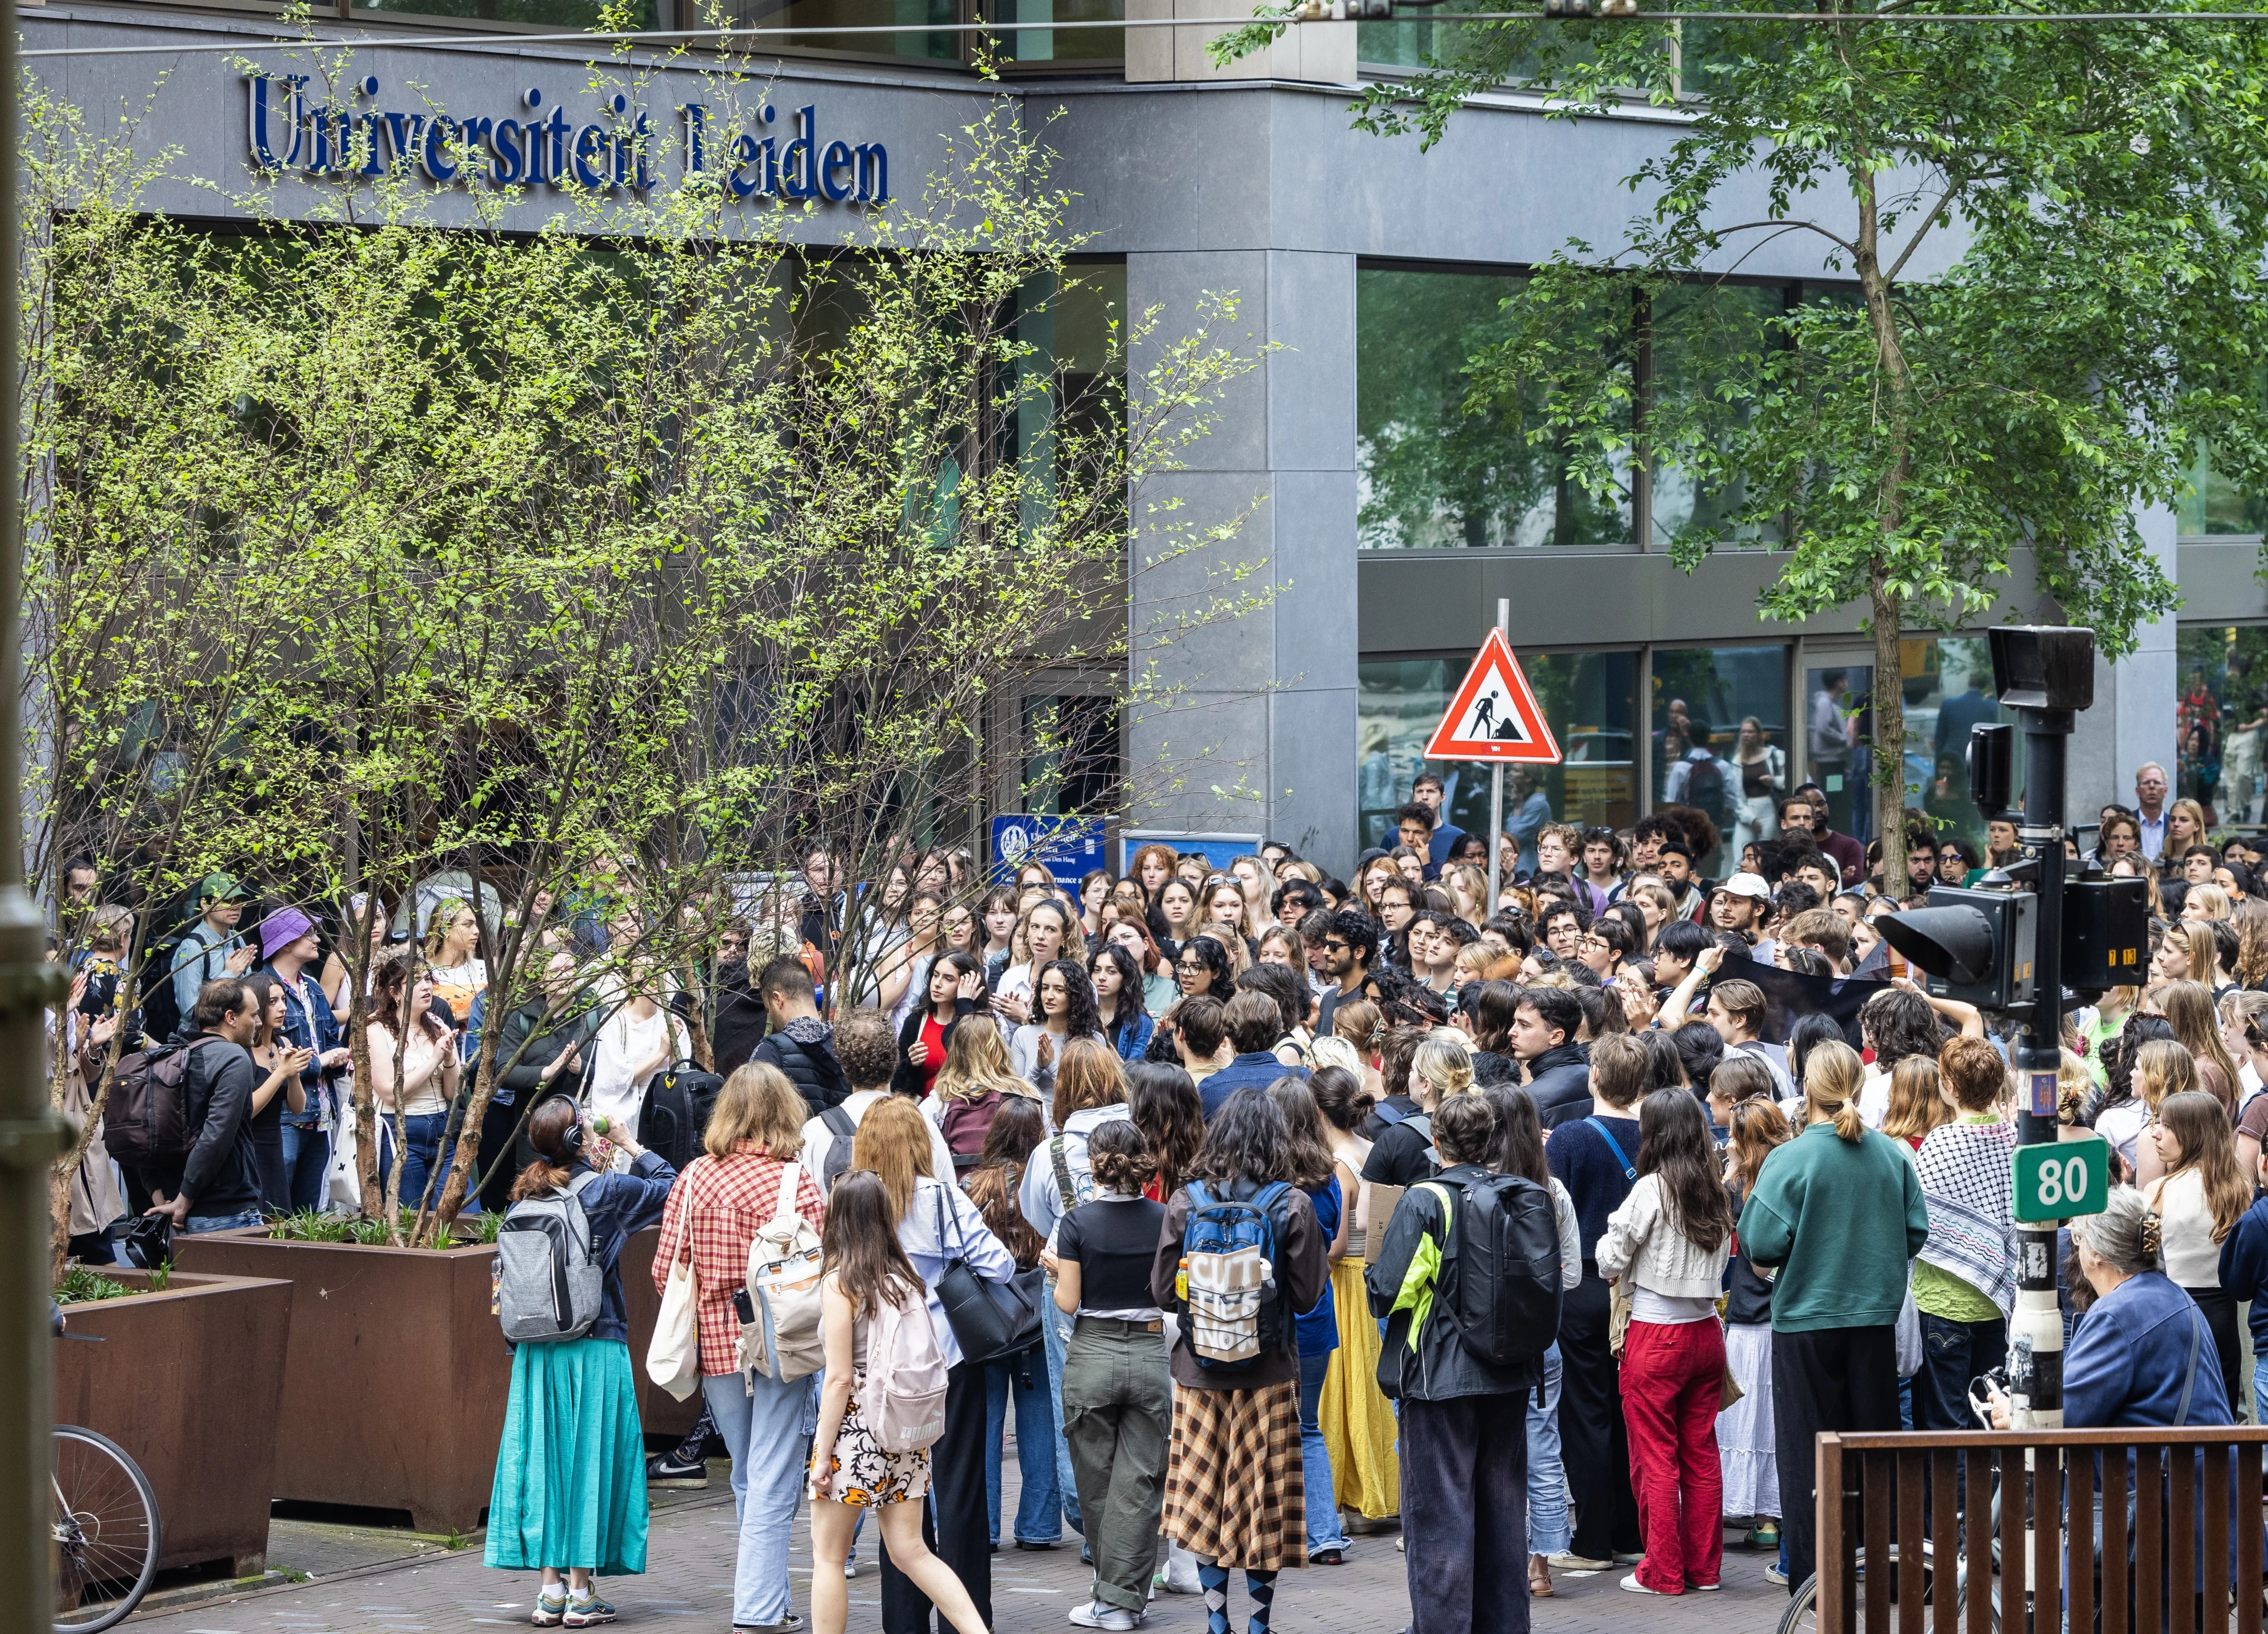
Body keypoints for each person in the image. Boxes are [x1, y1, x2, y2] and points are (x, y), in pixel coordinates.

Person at [1738, 1039, 1928, 1597]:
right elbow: (1916, 1232)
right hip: (1873, 1322)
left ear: (1807, 1088)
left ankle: (1813, 1583)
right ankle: (1889, 1574)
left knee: (1807, 1461)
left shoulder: (1790, 1158)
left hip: (1805, 1325)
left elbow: (1760, 1242)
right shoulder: (1892, 1154)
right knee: (1876, 1455)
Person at [650, 1063, 827, 1634]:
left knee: (749, 1473)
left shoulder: (696, 1176)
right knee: (774, 1475)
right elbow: (825, 1263)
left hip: (717, 1345)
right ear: (786, 1113)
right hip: (782, 1342)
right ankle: (757, 1610)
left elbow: (664, 1270)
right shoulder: (792, 1180)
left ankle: (767, 1601)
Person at [486, 1097, 676, 1629]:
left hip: (535, 1354)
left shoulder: (524, 1194)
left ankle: (550, 1594)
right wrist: (629, 1144)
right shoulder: (605, 1190)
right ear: (579, 1141)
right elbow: (675, 1190)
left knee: (547, 1466)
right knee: (591, 1461)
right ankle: (581, 1593)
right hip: (595, 1344)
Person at [1151, 1088, 1329, 1634]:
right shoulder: (1291, 1204)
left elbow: (1161, 1292)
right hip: (1268, 1376)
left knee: (1204, 1496)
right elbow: (1306, 1297)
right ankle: (1258, 1624)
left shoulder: (1186, 1202)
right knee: (1262, 1502)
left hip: (1197, 1374)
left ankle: (1216, 1621)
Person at [1367, 1093, 1537, 1634]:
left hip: (1440, 1376)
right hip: (1510, 1371)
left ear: (1436, 1144)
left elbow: (1389, 1291)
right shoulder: (1519, 1195)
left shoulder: (1425, 1200)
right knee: (1504, 1513)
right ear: (1490, 1142)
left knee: (1440, 1517)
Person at [852, 1095, 1019, 1634]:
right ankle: (968, 1620)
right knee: (962, 1493)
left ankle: (903, 1622)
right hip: (949, 1362)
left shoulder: (856, 1204)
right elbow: (1001, 1263)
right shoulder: (944, 1199)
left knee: (898, 1503)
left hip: (883, 1370)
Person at [806, 1171, 995, 1634]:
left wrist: (821, 1454)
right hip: (904, 1427)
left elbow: (838, 1378)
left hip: (855, 1427)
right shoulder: (903, 1276)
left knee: (828, 1556)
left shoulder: (839, 1281)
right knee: (911, 1551)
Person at [1596, 1089, 1734, 1596]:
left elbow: (1611, 1258)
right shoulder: (1715, 1189)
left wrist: (1611, 1256)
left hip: (1655, 1337)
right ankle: (1704, 1569)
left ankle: (1663, 1571)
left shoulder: (1651, 1188)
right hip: (1705, 1335)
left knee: (1655, 1456)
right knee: (1700, 1454)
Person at [1048, 1119, 1173, 1630]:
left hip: (1094, 1351)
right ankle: (1123, 1600)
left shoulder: (1077, 1224)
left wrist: (1057, 1270)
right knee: (1140, 1484)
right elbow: (1171, 1294)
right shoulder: (1167, 1218)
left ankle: (1110, 1598)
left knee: (1097, 1483)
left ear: (1096, 1164)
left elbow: (1068, 1302)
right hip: (1149, 1351)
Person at [1543, 1030, 1650, 1571]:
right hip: (1639, 1289)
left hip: (1584, 1283)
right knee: (1630, 1411)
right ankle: (1632, 1532)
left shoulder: (1570, 1137)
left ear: (1596, 1077)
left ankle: (1591, 1541)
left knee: (1585, 1413)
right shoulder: (1655, 1133)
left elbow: (1553, 1214)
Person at [1481, 1081, 1581, 1600]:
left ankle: (1498, 1553)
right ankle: (1539, 1564)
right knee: (1543, 1446)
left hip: (1482, 1341)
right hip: (1542, 1339)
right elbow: (1568, 1278)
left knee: (1491, 1449)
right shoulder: (1552, 1192)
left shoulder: (1474, 1191)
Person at [959, 1096, 1063, 1553]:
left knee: (984, 1421)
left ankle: (982, 1526)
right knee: (1040, 1417)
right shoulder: (1047, 1179)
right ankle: (1039, 1526)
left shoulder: (971, 1186)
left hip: (987, 1316)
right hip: (1039, 1313)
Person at [1908, 1037, 2016, 1436]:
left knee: (1945, 1421)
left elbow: (1917, 1221)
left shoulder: (1941, 1142)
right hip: (1992, 1303)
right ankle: (1983, 1499)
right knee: (1989, 1414)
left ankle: (1953, 1502)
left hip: (1942, 1303)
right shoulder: (2011, 1138)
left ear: (1950, 1087)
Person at [1267, 1076, 1354, 1566]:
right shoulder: (1330, 1177)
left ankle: (1279, 1529)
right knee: (1308, 1427)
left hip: (1277, 1320)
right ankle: (1324, 1534)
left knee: (1270, 1426)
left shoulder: (1272, 1187)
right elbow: (1336, 1247)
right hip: (1318, 1314)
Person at [1719, 1095, 1791, 1569]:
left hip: (1748, 1316)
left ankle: (1752, 1511)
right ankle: (1771, 1517)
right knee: (1772, 1416)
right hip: (1780, 1317)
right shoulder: (1788, 1180)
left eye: (1733, 1136)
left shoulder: (1739, 1190)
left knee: (1746, 1415)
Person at [2143, 1089, 2249, 1415]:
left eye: (2166, 1126)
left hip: (2177, 1313)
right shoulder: (2239, 1188)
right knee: (2224, 1409)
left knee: (2180, 1409)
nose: (2155, 1132)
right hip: (2227, 1316)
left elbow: (2142, 1254)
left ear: (2192, 1134)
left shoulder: (2158, 1190)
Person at [478, 951, 603, 1213]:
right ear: (542, 978)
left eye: (570, 968)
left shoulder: (593, 1013)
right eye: (556, 970)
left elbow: (610, 1071)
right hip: (533, 1123)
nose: (564, 976)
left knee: (576, 1191)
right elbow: (504, 1072)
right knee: (535, 1193)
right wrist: (548, 1071)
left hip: (577, 1122)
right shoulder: (522, 1016)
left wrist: (579, 1070)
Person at [140, 979, 266, 1233]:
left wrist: (160, 1195)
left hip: (172, 1210)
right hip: (225, 1211)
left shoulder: (170, 1057)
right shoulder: (234, 1059)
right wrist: (185, 1199)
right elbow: (216, 1135)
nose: (259, 1022)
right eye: (253, 1015)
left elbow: (141, 1134)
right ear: (231, 1017)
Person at [801, 1008, 957, 1197]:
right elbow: (948, 1196)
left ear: (842, 1066)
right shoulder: (924, 1128)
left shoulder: (813, 1133)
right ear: (894, 1059)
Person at [259, 906, 351, 1214]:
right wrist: (321, 1062)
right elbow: (266, 1053)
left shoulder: (312, 987)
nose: (317, 939)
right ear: (286, 943)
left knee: (310, 1213)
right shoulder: (260, 989)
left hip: (322, 1113)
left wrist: (338, 1056)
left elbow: (329, 1039)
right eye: (308, 933)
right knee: (274, 1210)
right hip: (284, 1115)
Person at [367, 951, 462, 1212]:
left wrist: (450, 1057)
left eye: (428, 979)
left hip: (442, 1128)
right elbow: (389, 1093)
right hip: (402, 1131)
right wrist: (434, 1059)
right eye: (416, 981)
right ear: (395, 992)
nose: (426, 986)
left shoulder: (436, 1024)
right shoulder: (376, 1029)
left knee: (459, 1212)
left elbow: (454, 1092)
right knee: (410, 1216)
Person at [752, 958, 851, 1115]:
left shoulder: (770, 1051)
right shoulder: (850, 1046)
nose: (770, 1014)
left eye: (768, 1008)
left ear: (778, 999)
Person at [892, 952, 985, 1100]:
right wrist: (911, 1065)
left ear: (967, 984)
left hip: (963, 1110)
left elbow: (977, 1069)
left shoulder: (980, 1023)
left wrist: (965, 1008)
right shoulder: (916, 1021)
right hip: (923, 1111)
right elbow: (896, 1084)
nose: (937, 983)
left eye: (948, 979)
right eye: (935, 975)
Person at [170, 873, 255, 1027]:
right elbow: (190, 1009)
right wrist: (229, 975)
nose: (235, 906)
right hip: (200, 1038)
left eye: (238, 900)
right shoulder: (192, 947)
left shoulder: (237, 940)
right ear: (205, 903)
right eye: (227, 900)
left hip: (235, 1031)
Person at [1011, 958, 1103, 1092]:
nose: (1049, 996)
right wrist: (1038, 1066)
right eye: (1045, 988)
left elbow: (1088, 1098)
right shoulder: (1023, 1035)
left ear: (1075, 995)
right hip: (1033, 1112)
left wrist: (1052, 1066)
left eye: (1059, 990)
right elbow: (1015, 1094)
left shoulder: (1094, 1040)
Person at [1513, 988, 1591, 1126]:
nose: (1512, 1032)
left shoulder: (1529, 1099)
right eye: (1515, 1022)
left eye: (1524, 1025)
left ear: (1556, 1036)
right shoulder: (1597, 1080)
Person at [425, 899, 489, 1026]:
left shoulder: (484, 969)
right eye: (467, 924)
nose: (476, 931)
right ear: (446, 928)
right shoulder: (424, 971)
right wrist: (460, 1015)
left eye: (476, 924)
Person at [1089, 944, 1155, 1063]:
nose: (1101, 977)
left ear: (1125, 977)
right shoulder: (1080, 1015)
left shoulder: (1140, 1022)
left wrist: (1108, 1047)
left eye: (1111, 971)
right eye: (1097, 970)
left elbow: (1134, 1074)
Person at [1315, 912, 1378, 1037]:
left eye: (1334, 946)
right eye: (1325, 944)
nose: (1326, 952)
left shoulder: (1370, 1000)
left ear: (1359, 952)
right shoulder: (1328, 998)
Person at [2136, 761, 2172, 861]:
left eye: (2157, 782)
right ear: (2138, 791)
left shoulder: (2174, 824)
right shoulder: (2127, 822)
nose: (2152, 786)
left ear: (2165, 791)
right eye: (2147, 782)